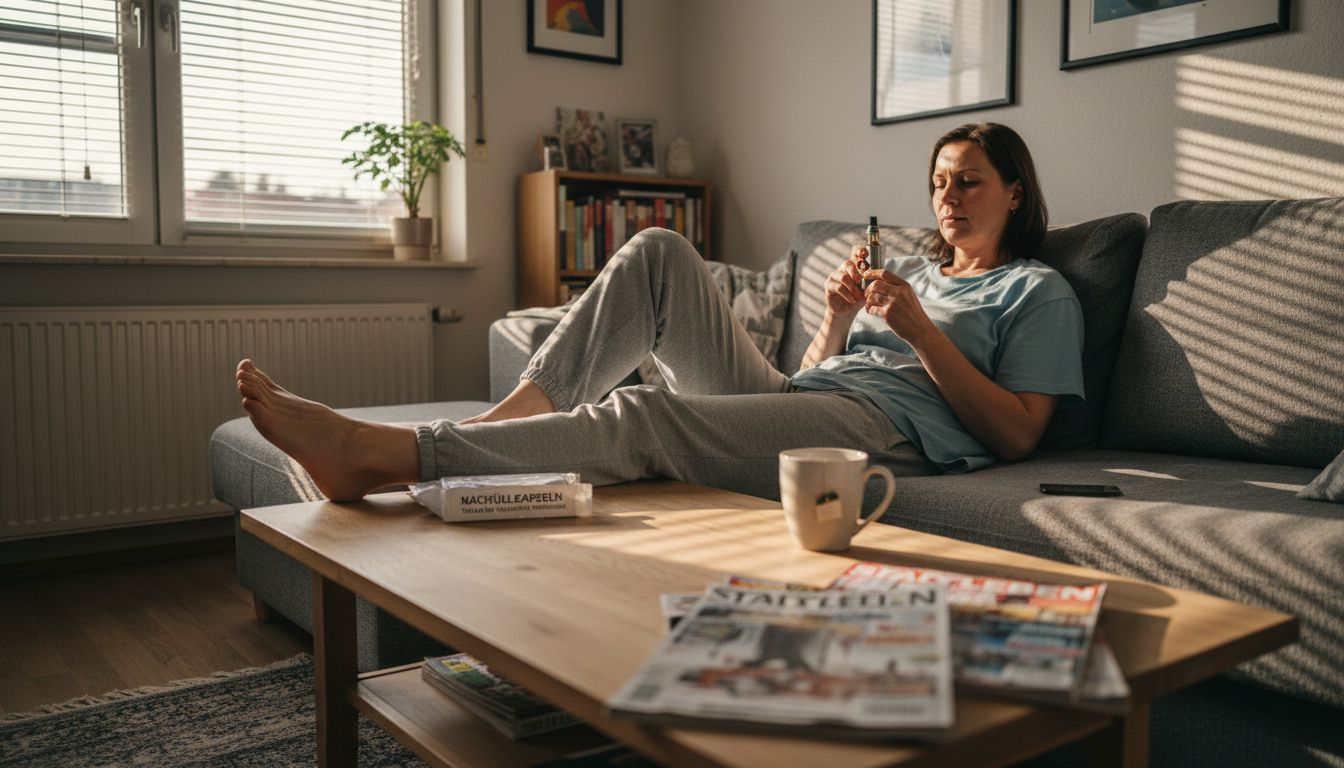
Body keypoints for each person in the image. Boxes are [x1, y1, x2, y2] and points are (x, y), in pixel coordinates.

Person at [235, 122, 1084, 502]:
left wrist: (920, 332)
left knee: (645, 414)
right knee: (656, 251)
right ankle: (507, 422)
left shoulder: (1035, 292)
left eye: (968, 180)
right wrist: (832, 316)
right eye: (938, 181)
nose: (948, 197)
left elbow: (1016, 435)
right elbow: (814, 379)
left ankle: (387, 454)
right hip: (814, 399)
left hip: (896, 437)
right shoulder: (906, 268)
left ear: (1014, 191)